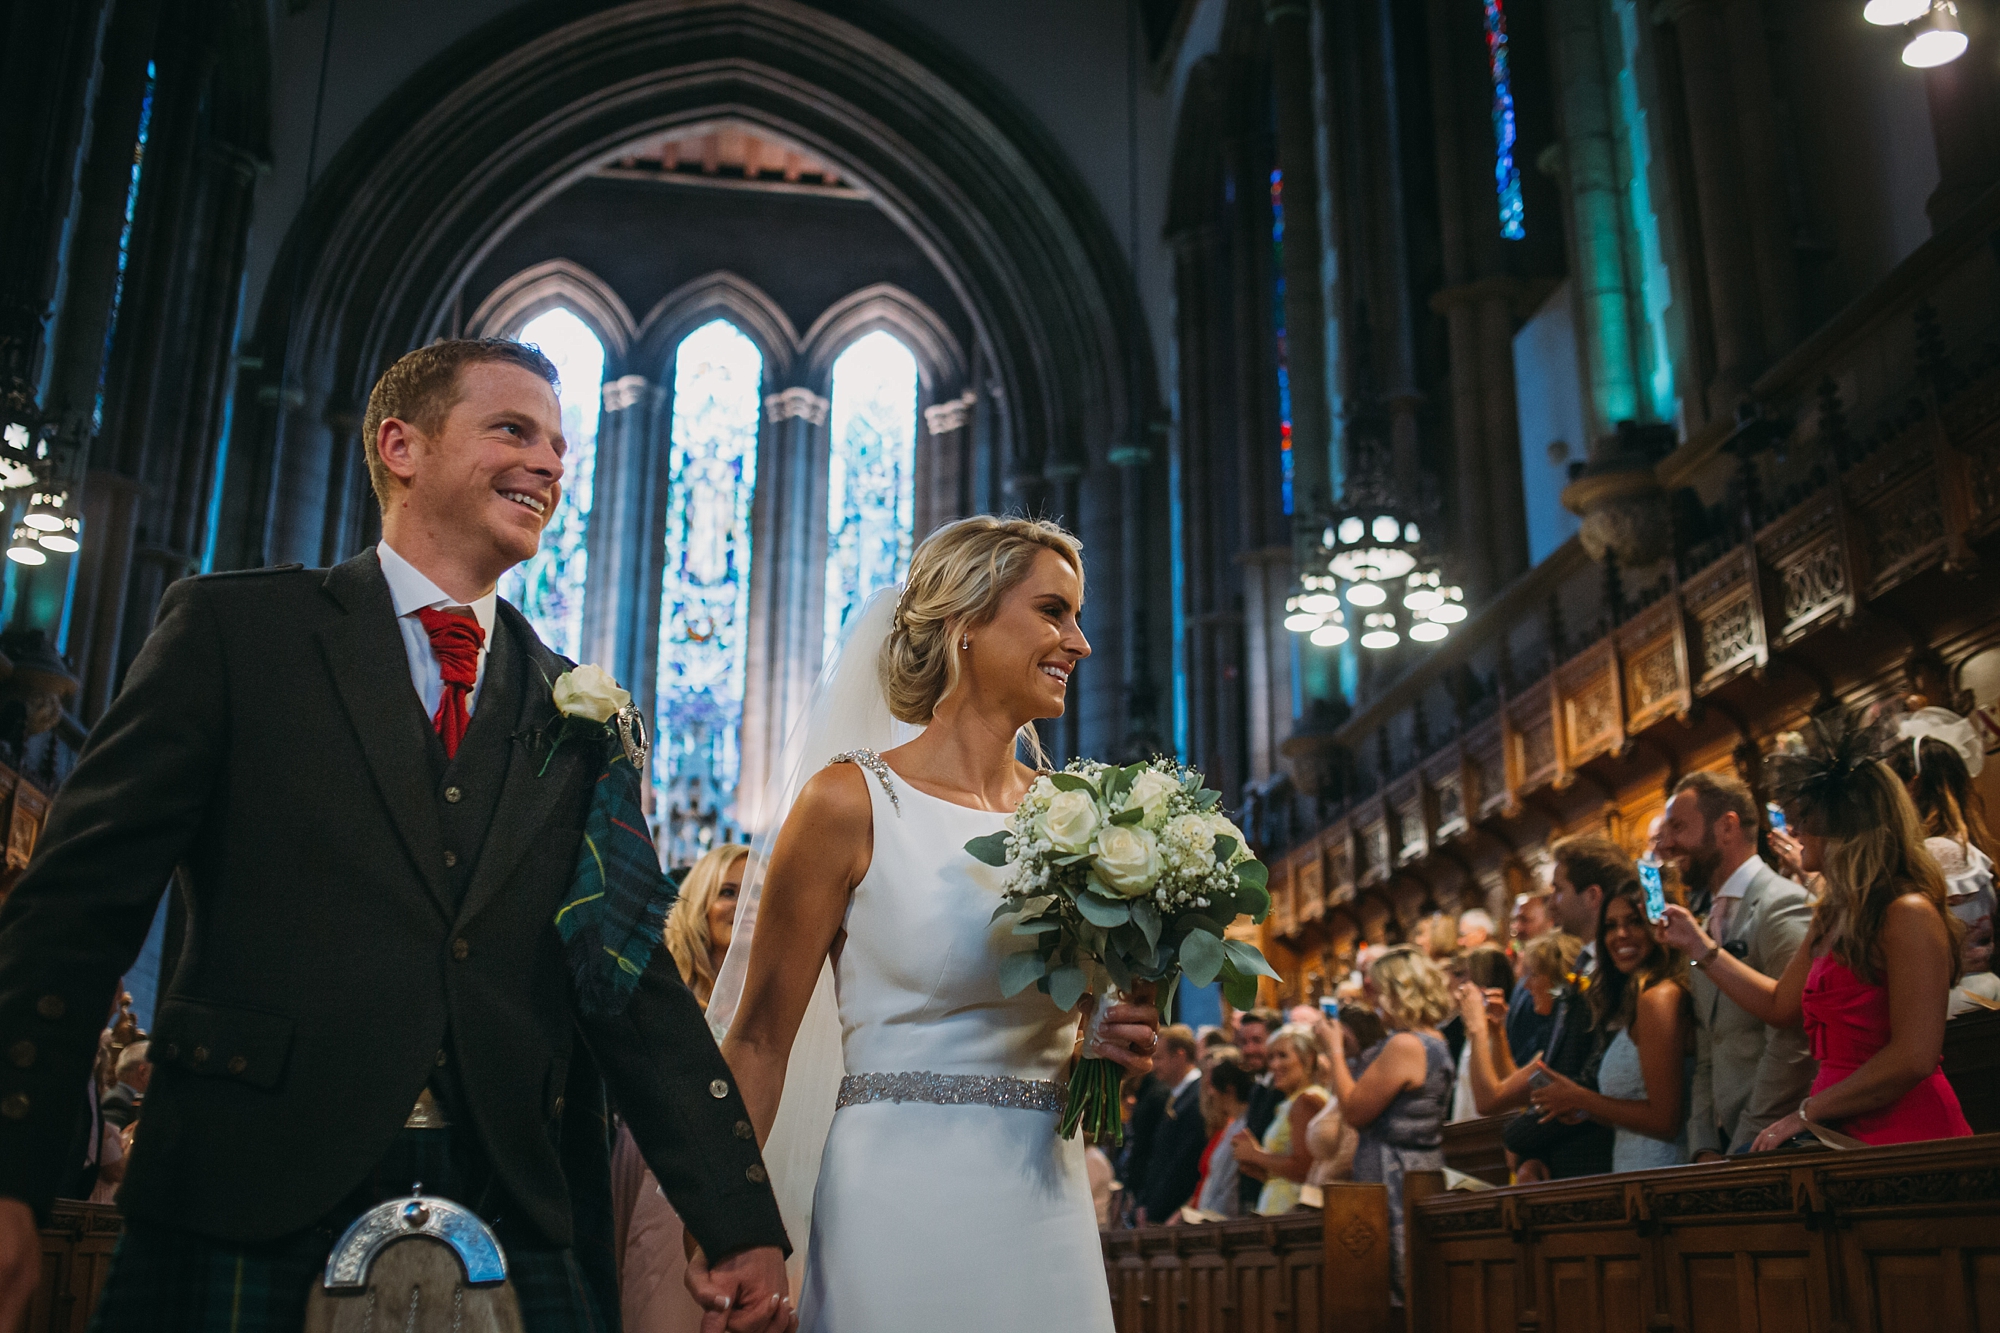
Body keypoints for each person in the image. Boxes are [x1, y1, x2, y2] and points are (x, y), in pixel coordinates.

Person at [0, 338, 791, 1333]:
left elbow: (629, 986)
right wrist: (12, 1177)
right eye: (513, 429)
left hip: (508, 1201)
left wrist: (735, 1213)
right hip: (246, 1188)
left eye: (558, 443)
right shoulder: (236, 635)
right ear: (400, 446)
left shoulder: (583, 714)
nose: (549, 462)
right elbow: (74, 914)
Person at [707, 516, 1162, 1332]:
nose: (1079, 642)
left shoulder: (1082, 820)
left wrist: (1107, 1045)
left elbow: (1074, 1042)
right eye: (1054, 611)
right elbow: (760, 1040)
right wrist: (727, 1220)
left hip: (1046, 1199)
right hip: (896, 1197)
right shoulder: (849, 802)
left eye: (1078, 616)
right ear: (966, 624)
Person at [1659, 712, 1972, 1149]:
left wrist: (1806, 1112)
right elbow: (1779, 1005)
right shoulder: (1832, 914)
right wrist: (1701, 947)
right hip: (1836, 1124)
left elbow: (1913, 1057)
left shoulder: (1908, 912)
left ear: (1846, 825)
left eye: (1805, 817)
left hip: (1903, 1134)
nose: (1794, 829)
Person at [616, 842, 753, 1333]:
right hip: (668, 1171)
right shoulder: (668, 1001)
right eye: (729, 891)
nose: (742, 907)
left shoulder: (769, 1004)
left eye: (756, 895)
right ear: (698, 903)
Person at [1657, 770, 1814, 1160]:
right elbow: (1711, 1041)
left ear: (1726, 827)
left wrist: (1747, 1140)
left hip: (1774, 1140)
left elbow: (1794, 1039)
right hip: (1728, 1144)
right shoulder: (1704, 919)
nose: (1667, 843)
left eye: (1678, 827)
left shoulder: (1782, 903)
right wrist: (1705, 1144)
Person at [1319, 946, 1454, 1307]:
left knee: (1396, 1287)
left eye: (1377, 992)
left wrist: (1333, 1051)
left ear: (1398, 991)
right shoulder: (1434, 1040)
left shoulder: (1406, 1045)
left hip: (1394, 1174)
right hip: (1417, 1169)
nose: (1374, 1002)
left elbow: (1355, 1111)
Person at [1485, 837, 1627, 1180]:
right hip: (1564, 1158)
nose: (1552, 904)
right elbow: (1556, 1067)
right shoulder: (1582, 965)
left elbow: (1591, 1081)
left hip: (1597, 1161)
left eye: (1558, 891)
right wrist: (1531, 1155)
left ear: (1592, 896)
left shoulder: (1617, 974)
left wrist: (1524, 1138)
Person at [1524, 883, 1691, 1170]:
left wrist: (1580, 1097)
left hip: (1661, 1168)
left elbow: (1665, 1119)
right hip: (1633, 1166)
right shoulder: (1637, 996)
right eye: (1611, 926)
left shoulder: (1659, 997)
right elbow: (1631, 1109)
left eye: (1634, 922)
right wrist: (1578, 1106)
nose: (1620, 935)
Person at [1231, 1026, 1328, 1215]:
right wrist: (1261, 1170)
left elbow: (1304, 1169)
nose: (1274, 1065)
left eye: (1283, 1056)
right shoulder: (1292, 1102)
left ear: (1308, 1058)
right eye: (1271, 1058)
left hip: (1291, 1215)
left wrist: (1255, 1155)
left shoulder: (1306, 1101)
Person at [1136, 1026, 1205, 1225]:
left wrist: (1155, 1207)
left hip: (1175, 1215)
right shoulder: (1176, 1095)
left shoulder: (1197, 1097)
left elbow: (1182, 1161)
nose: (1153, 1065)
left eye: (1158, 1058)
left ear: (1180, 1056)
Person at [1448, 947, 1513, 1122]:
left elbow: (1491, 1096)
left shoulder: (1493, 1025)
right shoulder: (1474, 1025)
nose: (1459, 983)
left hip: (1486, 1125)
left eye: (1465, 975)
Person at [1232, 1007, 1283, 1212]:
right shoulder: (1258, 1088)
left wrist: (1254, 1156)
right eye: (1244, 1042)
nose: (1248, 1050)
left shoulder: (1286, 1091)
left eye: (1256, 1041)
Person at [1192, 1056, 1255, 1219]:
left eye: (1212, 1086)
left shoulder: (1243, 1128)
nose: (1210, 1093)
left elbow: (1228, 1185)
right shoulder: (1231, 1126)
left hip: (1224, 1221)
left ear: (1229, 1089)